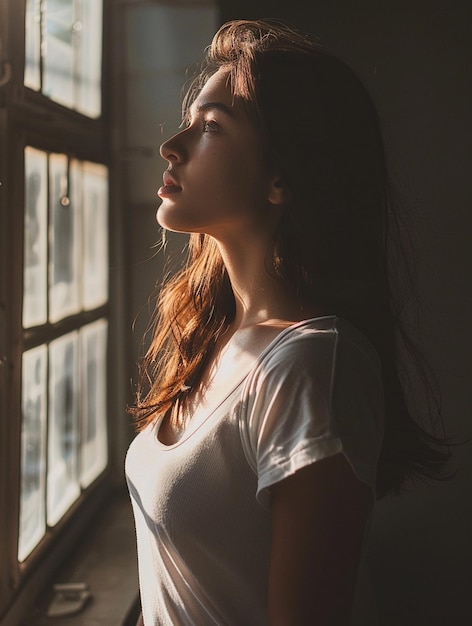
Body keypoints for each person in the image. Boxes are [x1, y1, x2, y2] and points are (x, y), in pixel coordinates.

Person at [126, 19, 448, 625]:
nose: (172, 145)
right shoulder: (216, 337)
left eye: (211, 127)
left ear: (282, 176)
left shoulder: (311, 364)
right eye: (190, 120)